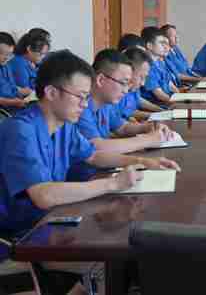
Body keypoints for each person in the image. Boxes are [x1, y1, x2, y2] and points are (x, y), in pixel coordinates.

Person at [0, 50, 180, 236]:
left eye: (87, 97)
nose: (85, 105)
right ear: (52, 92)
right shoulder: (20, 130)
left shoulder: (64, 125)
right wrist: (113, 184)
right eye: (80, 96)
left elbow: (93, 155)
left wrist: (143, 162)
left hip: (51, 217)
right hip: (19, 234)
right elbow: (43, 195)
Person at [68, 49, 174, 182]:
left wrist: (148, 127)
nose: (126, 90)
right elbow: (97, 147)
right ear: (100, 80)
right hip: (87, 179)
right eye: (123, 83)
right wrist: (148, 140)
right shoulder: (80, 107)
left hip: (104, 171)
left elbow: (122, 127)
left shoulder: (105, 103)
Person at [116, 47, 163, 121]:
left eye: (145, 77)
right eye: (141, 77)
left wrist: (160, 110)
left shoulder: (134, 86)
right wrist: (156, 115)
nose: (143, 84)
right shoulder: (116, 91)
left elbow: (138, 100)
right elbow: (127, 114)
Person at [141, 27, 179, 105]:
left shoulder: (159, 62)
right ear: (149, 46)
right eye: (162, 43)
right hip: (159, 104)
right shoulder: (147, 66)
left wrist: (180, 97)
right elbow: (159, 95)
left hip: (169, 100)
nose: (166, 47)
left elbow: (170, 84)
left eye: (166, 44)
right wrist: (178, 102)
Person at [0, 32, 29, 113]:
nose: (6, 58)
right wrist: (12, 102)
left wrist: (23, 90)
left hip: (15, 103)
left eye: (9, 54)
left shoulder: (5, 65)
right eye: (2, 54)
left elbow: (9, 85)